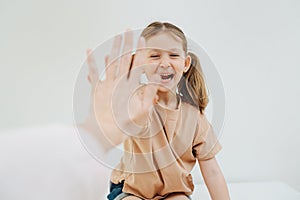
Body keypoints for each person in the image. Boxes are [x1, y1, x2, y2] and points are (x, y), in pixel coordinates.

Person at [80, 21, 230, 200]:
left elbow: (212, 172)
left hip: (173, 192)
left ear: (186, 63)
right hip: (131, 189)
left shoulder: (195, 117)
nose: (165, 63)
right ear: (141, 63)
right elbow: (124, 115)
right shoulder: (136, 101)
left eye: (173, 55)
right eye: (155, 56)